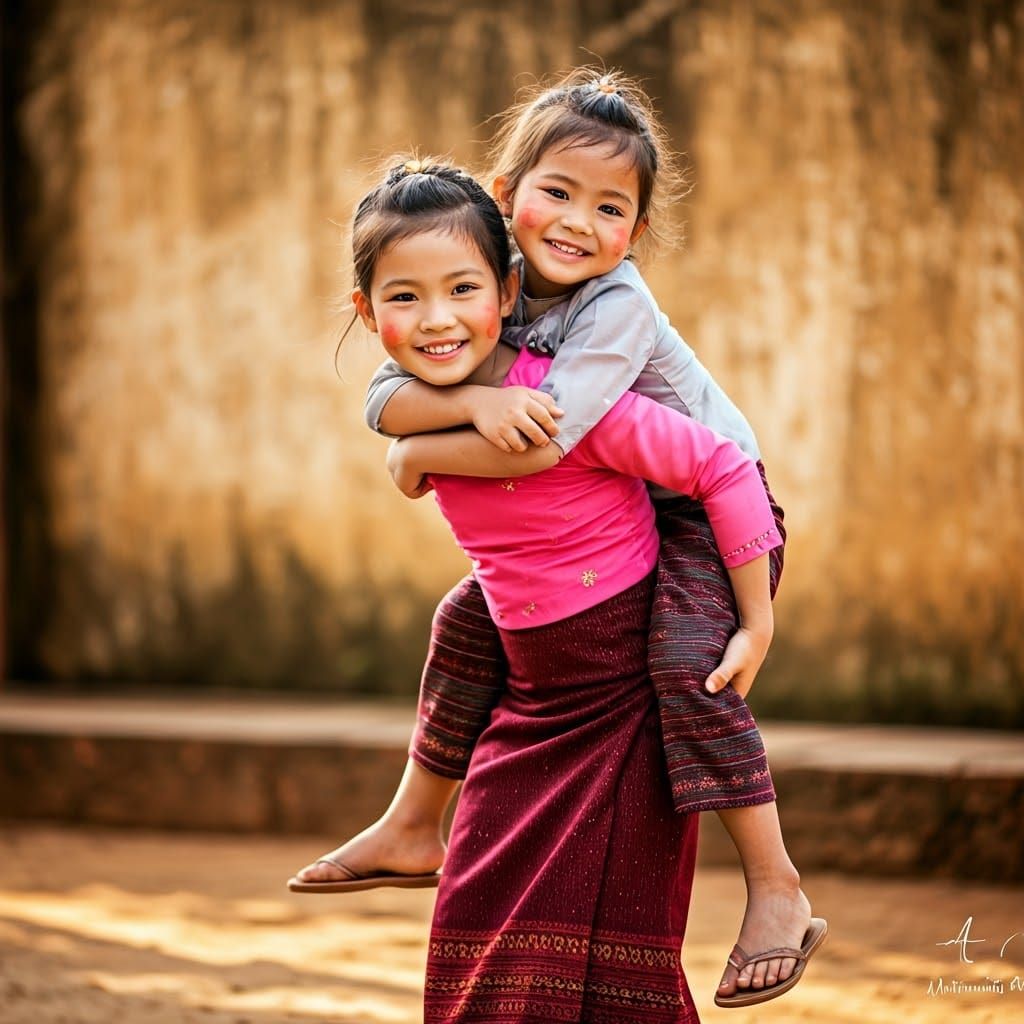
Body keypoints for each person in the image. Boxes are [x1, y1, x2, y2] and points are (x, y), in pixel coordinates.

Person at [290, 70, 827, 1009]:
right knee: (465, 619)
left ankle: (777, 887)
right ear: (507, 199)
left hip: (718, 513)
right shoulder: (490, 297)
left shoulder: (614, 305)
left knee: (685, 666)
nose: (578, 222)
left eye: (610, 206)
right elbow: (385, 397)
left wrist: (758, 622)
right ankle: (415, 822)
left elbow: (553, 438)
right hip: (637, 498)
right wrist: (432, 426)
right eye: (557, 192)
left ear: (638, 232)